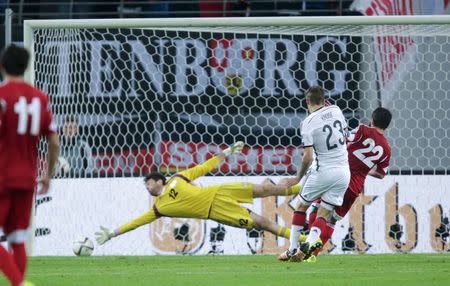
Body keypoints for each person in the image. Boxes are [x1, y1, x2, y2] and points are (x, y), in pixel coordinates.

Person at [95, 141, 305, 247]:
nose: (147, 187)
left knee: (265, 189)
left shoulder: (178, 177)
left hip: (220, 192)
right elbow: (137, 222)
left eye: (148, 183)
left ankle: (305, 189)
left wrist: (227, 152)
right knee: (261, 222)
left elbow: (204, 167)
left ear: (159, 181)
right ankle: (300, 238)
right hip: (218, 210)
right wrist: (113, 233)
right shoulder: (160, 208)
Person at [0, 45, 60, 286]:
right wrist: (48, 175)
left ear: (2, 66)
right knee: (17, 239)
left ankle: (19, 283)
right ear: (26, 67)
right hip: (27, 178)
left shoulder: (3, 97)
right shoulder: (40, 98)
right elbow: (54, 142)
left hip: (2, 176)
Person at [303, 107, 392, 261]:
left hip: (339, 176)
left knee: (317, 210)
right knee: (332, 220)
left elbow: (344, 137)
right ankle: (312, 256)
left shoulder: (363, 130)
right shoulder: (386, 149)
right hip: (355, 186)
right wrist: (365, 170)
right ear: (387, 125)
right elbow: (381, 174)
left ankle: (309, 244)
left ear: (372, 119)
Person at [277, 86, 350, 262]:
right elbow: (345, 134)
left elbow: (307, 157)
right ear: (325, 100)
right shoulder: (336, 110)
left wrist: (297, 178)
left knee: (301, 206)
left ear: (307, 101)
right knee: (323, 213)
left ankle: (293, 249)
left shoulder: (308, 123)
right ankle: (309, 243)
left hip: (323, 171)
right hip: (343, 173)